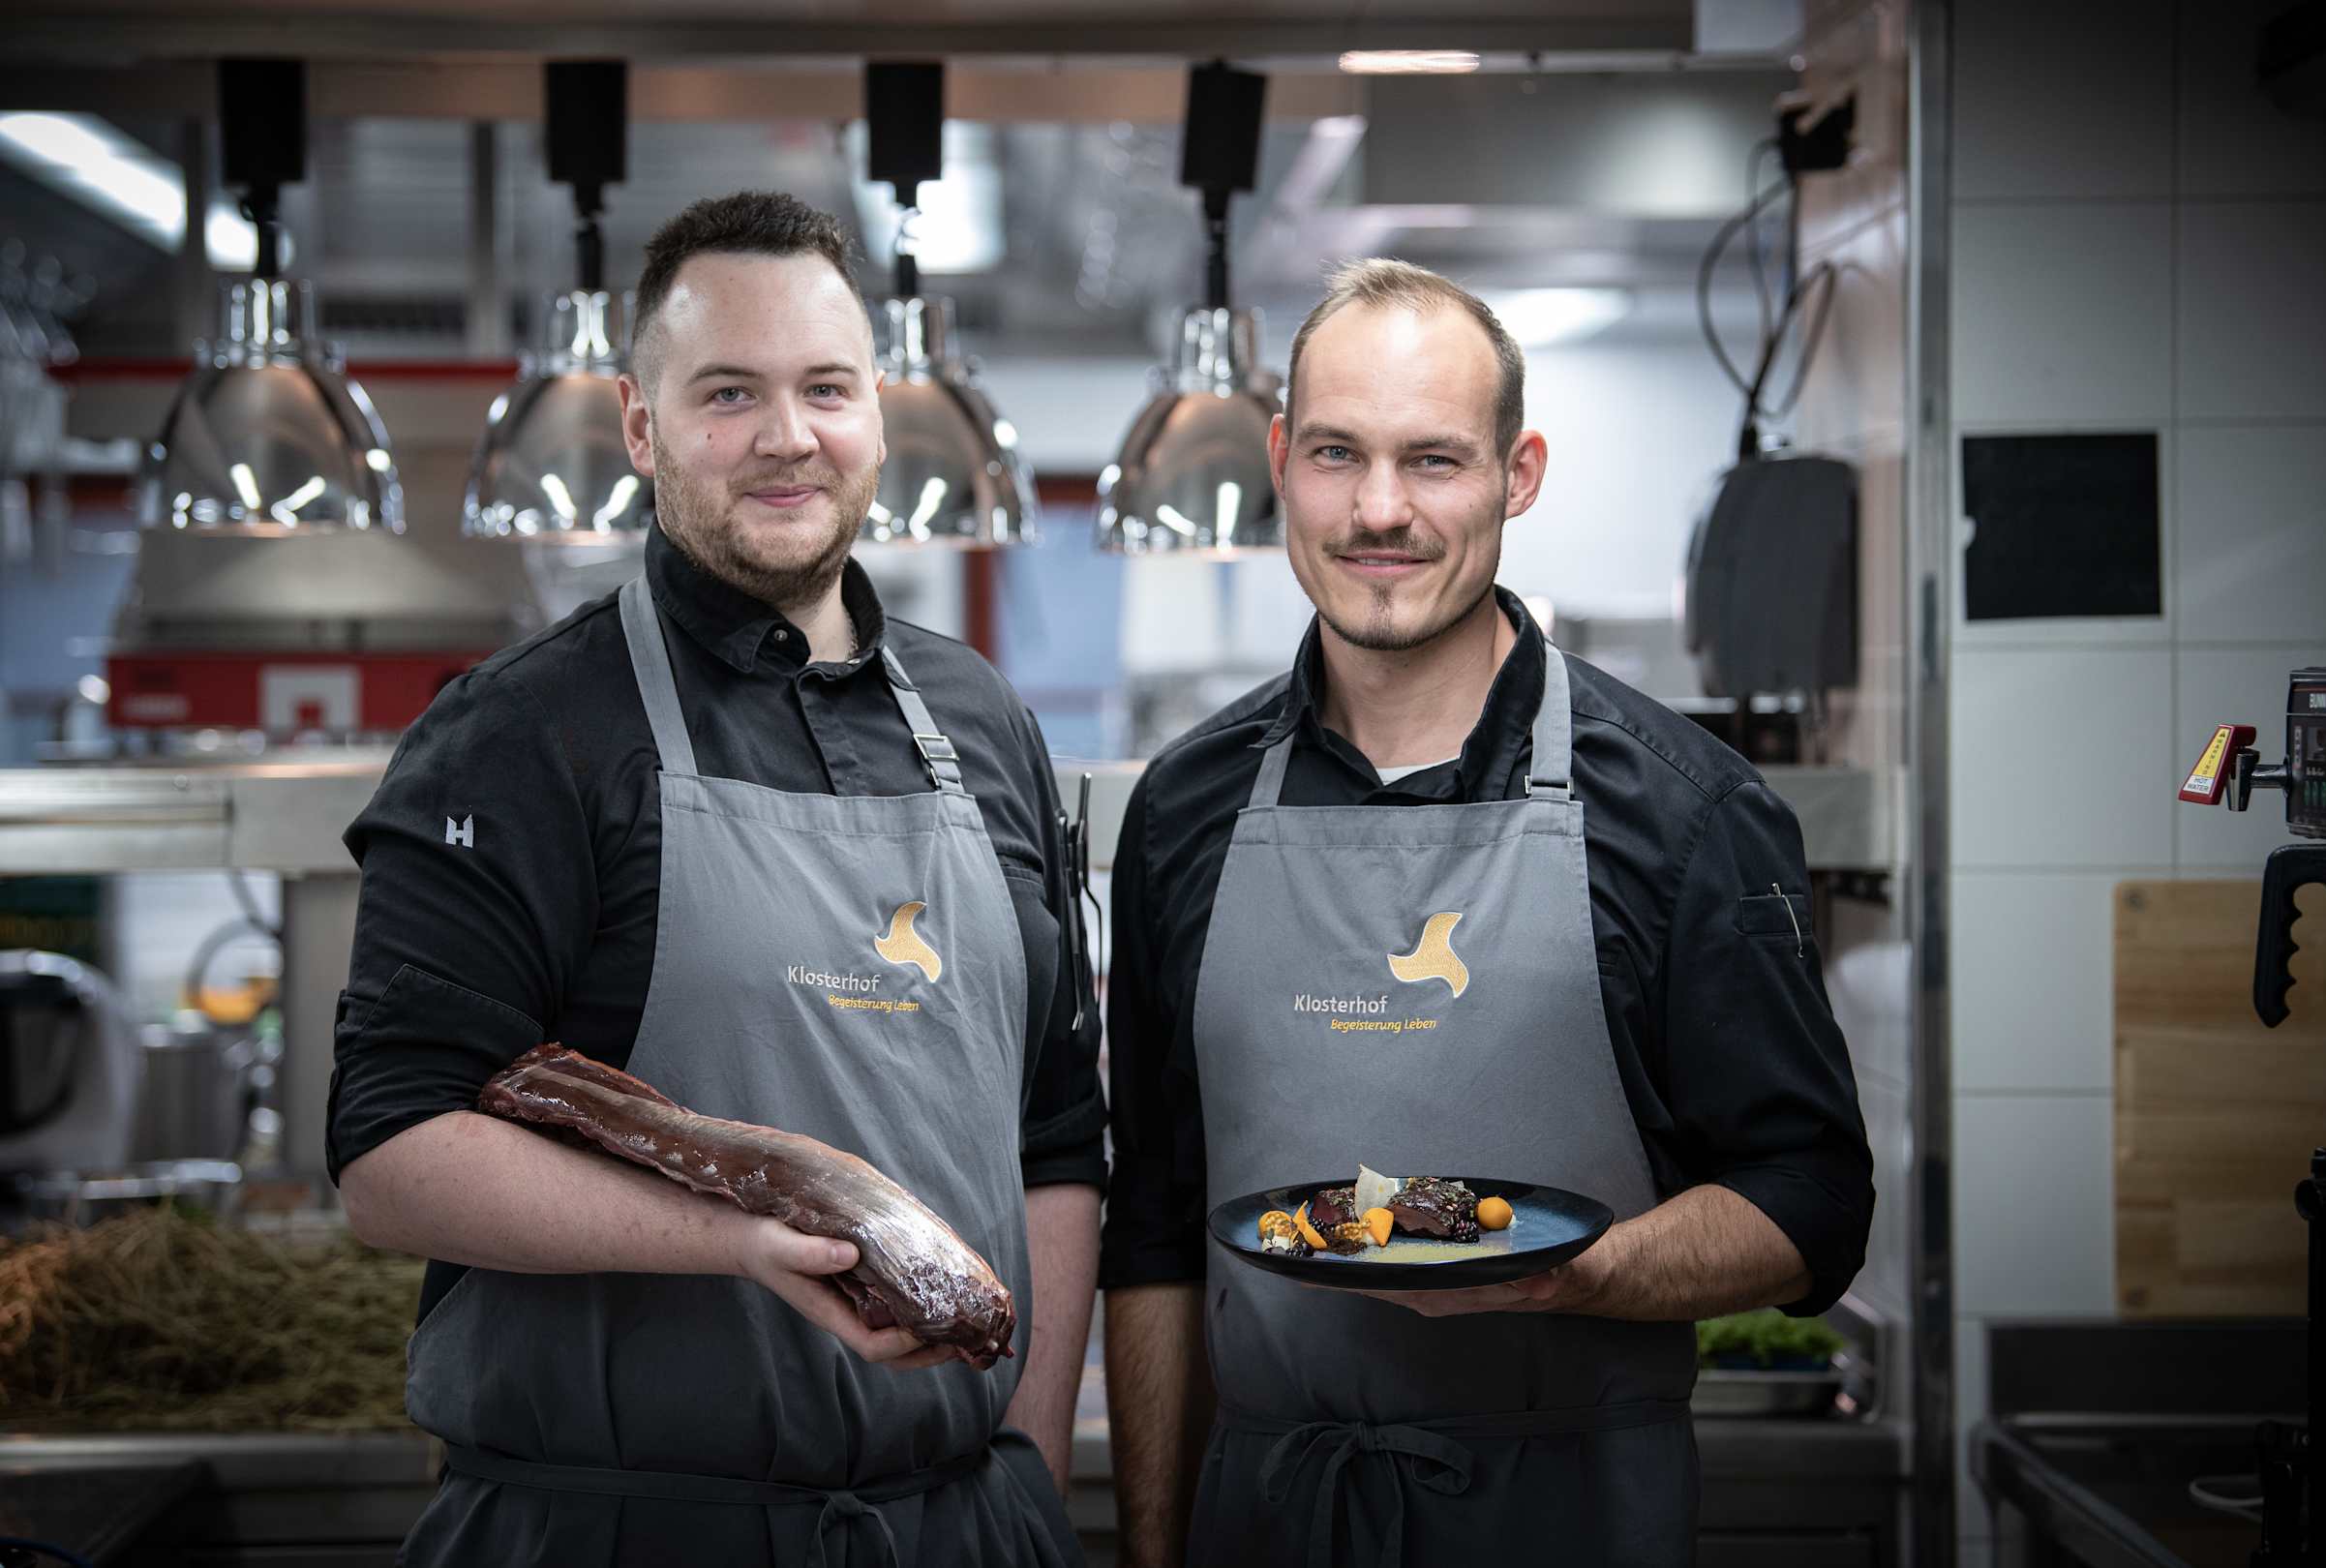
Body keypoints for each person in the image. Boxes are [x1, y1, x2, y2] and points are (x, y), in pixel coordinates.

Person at [329, 191, 1103, 1567]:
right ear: (641, 426)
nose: (786, 436)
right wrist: (736, 1237)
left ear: (878, 414)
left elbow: (1050, 1137)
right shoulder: (523, 732)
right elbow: (390, 1156)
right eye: (729, 393)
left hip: (960, 1527)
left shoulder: (982, 719)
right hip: (619, 1530)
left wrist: (1023, 1471)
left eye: (826, 388)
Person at [1100, 258, 1875, 1568]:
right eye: (1337, 454)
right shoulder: (1184, 810)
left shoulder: (1687, 812)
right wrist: (1150, 1552)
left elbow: (1813, 1203)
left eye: (1433, 460)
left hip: (1569, 1512)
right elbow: (1158, 1232)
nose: (1379, 510)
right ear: (1282, 463)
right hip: (1268, 1514)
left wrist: (1581, 1273)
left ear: (1518, 475)